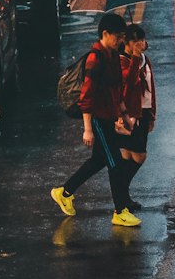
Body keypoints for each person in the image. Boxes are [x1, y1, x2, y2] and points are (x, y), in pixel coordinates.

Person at [50, 13, 141, 228]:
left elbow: (116, 90)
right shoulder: (95, 58)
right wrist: (88, 129)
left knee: (99, 161)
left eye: (122, 37)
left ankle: (64, 192)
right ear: (105, 34)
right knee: (114, 163)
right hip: (99, 120)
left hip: (109, 117)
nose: (120, 40)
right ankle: (120, 211)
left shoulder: (112, 56)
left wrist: (124, 115)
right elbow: (87, 97)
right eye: (118, 36)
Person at [116, 24, 156, 211]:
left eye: (141, 39)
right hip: (131, 115)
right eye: (135, 41)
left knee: (128, 156)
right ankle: (120, 193)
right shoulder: (123, 61)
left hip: (144, 112)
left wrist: (153, 113)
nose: (139, 43)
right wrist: (135, 57)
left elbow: (151, 87)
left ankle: (123, 197)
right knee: (138, 156)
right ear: (126, 42)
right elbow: (129, 84)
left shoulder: (144, 59)